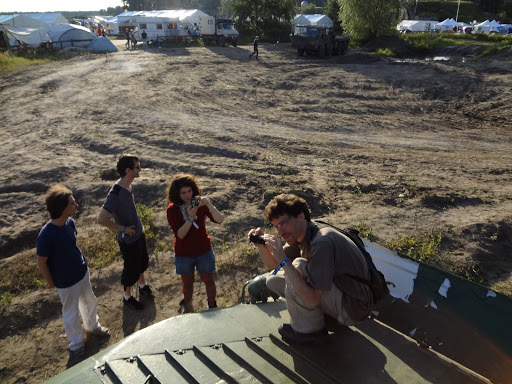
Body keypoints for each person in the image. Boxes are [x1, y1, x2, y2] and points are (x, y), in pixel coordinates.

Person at [248, 194, 372, 344]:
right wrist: (262, 246)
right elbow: (276, 266)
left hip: (353, 306)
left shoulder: (321, 242)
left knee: (298, 266)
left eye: (284, 223)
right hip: (339, 295)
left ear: (301, 216)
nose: (280, 232)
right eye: (276, 226)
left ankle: (309, 332)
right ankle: (320, 318)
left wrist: (285, 262)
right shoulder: (303, 233)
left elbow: (312, 300)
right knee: (273, 279)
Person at [37, 185, 109, 361]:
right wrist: (50, 282)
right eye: (72, 203)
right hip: (65, 281)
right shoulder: (46, 235)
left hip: (81, 272)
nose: (76, 205)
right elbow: (42, 262)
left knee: (90, 301)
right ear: (61, 208)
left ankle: (92, 327)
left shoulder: (70, 223)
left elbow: (71, 246)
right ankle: (76, 345)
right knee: (71, 313)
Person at [97, 154, 153, 310]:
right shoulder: (115, 194)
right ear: (128, 170)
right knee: (131, 269)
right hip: (128, 240)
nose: (140, 169)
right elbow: (101, 219)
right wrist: (123, 229)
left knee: (141, 262)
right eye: (137, 167)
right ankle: (127, 296)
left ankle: (142, 285)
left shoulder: (128, 185)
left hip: (138, 234)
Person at [166, 174, 224, 313]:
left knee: (208, 280)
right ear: (177, 194)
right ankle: (188, 304)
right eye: (183, 193)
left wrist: (208, 204)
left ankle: (212, 305)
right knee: (187, 283)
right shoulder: (172, 210)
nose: (187, 195)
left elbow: (220, 219)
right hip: (183, 254)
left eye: (189, 191)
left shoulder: (200, 205)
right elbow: (180, 234)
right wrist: (190, 218)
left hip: (203, 250)